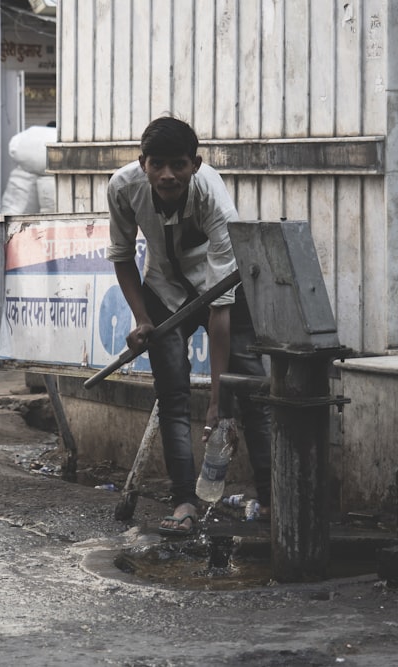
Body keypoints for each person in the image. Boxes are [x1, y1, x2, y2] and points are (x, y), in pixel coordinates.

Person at [106, 116, 273, 537]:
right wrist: (143, 318)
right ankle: (185, 501)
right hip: (162, 290)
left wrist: (218, 401)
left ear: (195, 164)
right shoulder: (122, 188)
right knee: (172, 396)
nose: (167, 175)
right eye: (157, 164)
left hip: (221, 289)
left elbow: (220, 310)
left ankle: (274, 499)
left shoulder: (214, 199)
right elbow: (123, 256)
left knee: (249, 391)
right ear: (141, 163)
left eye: (178, 165)